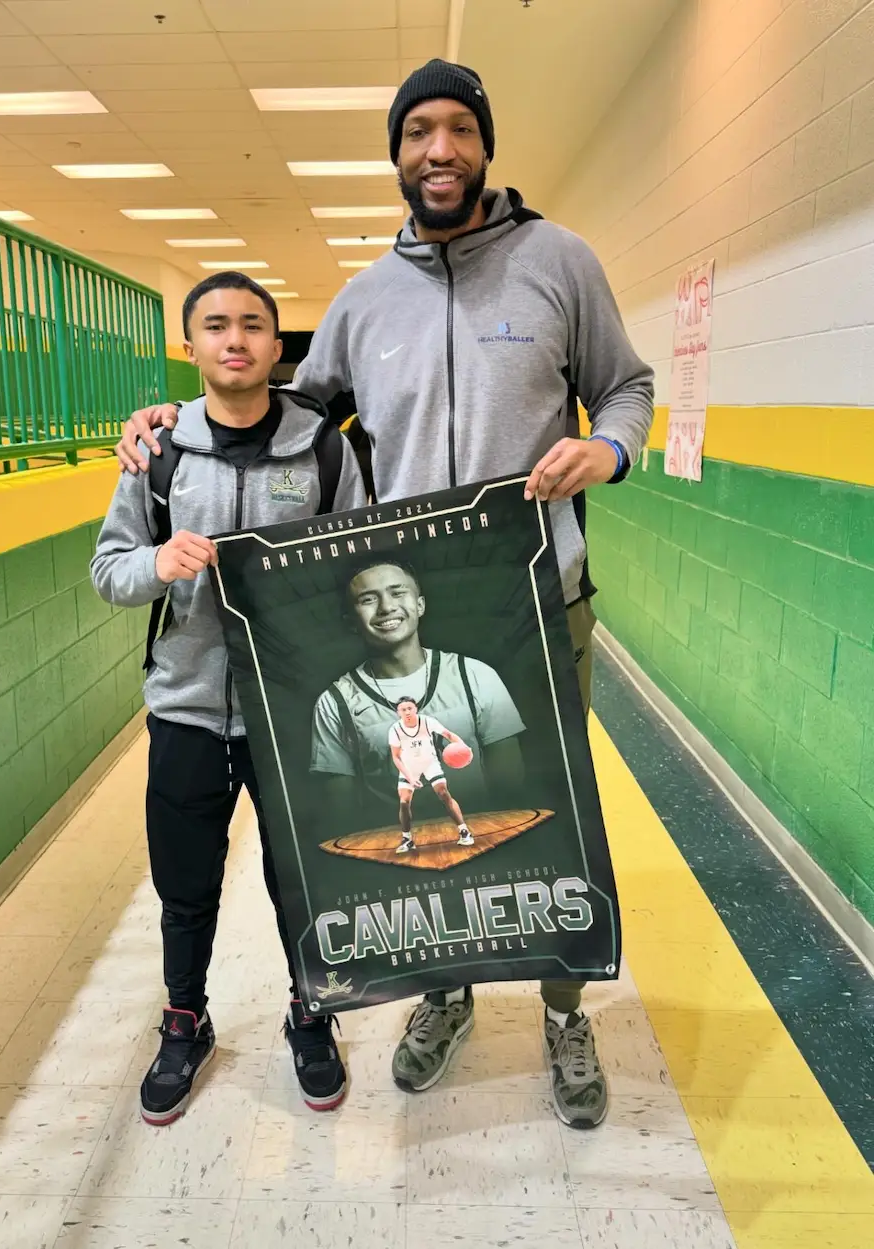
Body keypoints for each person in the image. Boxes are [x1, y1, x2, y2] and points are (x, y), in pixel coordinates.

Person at [114, 60, 655, 1128]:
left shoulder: (560, 262)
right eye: (419, 132)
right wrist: (163, 418)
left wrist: (606, 448)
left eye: (459, 129)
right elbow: (275, 410)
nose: (439, 150)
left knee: (552, 826)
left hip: (539, 600)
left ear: (485, 145)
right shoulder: (365, 300)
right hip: (412, 617)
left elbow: (629, 383)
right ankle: (443, 994)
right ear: (397, 154)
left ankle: (562, 1014)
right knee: (434, 836)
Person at [91, 271, 366, 1124]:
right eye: (216, 325)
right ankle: (185, 1020)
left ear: (280, 348)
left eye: (253, 324)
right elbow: (110, 570)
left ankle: (310, 1010)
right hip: (187, 709)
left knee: (303, 876)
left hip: (293, 713)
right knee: (185, 885)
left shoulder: (324, 451)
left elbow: (362, 563)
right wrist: (158, 564)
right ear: (191, 346)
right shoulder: (159, 453)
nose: (235, 338)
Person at [311, 557, 527, 838]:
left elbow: (511, 788)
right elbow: (342, 816)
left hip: (483, 843)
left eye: (397, 592)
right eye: (367, 599)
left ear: (420, 605)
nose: (387, 607)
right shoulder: (334, 703)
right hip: (395, 861)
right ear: (350, 621)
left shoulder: (474, 674)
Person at [388, 696, 473, 853]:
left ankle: (464, 831)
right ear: (398, 712)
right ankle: (407, 839)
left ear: (416, 709)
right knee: (404, 802)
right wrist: (410, 777)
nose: (407, 711)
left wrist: (464, 747)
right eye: (403, 709)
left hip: (429, 762)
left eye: (410, 708)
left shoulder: (427, 721)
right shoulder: (395, 729)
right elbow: (396, 756)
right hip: (408, 766)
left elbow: (448, 734)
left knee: (443, 793)